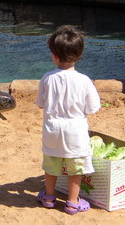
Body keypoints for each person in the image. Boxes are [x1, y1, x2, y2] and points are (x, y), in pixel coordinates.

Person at [36, 25, 101, 215]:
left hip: (52, 130)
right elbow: (93, 108)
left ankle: (48, 197)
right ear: (79, 55)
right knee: (75, 168)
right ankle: (72, 202)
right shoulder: (84, 80)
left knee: (51, 164)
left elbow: (40, 103)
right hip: (76, 131)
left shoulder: (47, 78)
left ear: (54, 55)